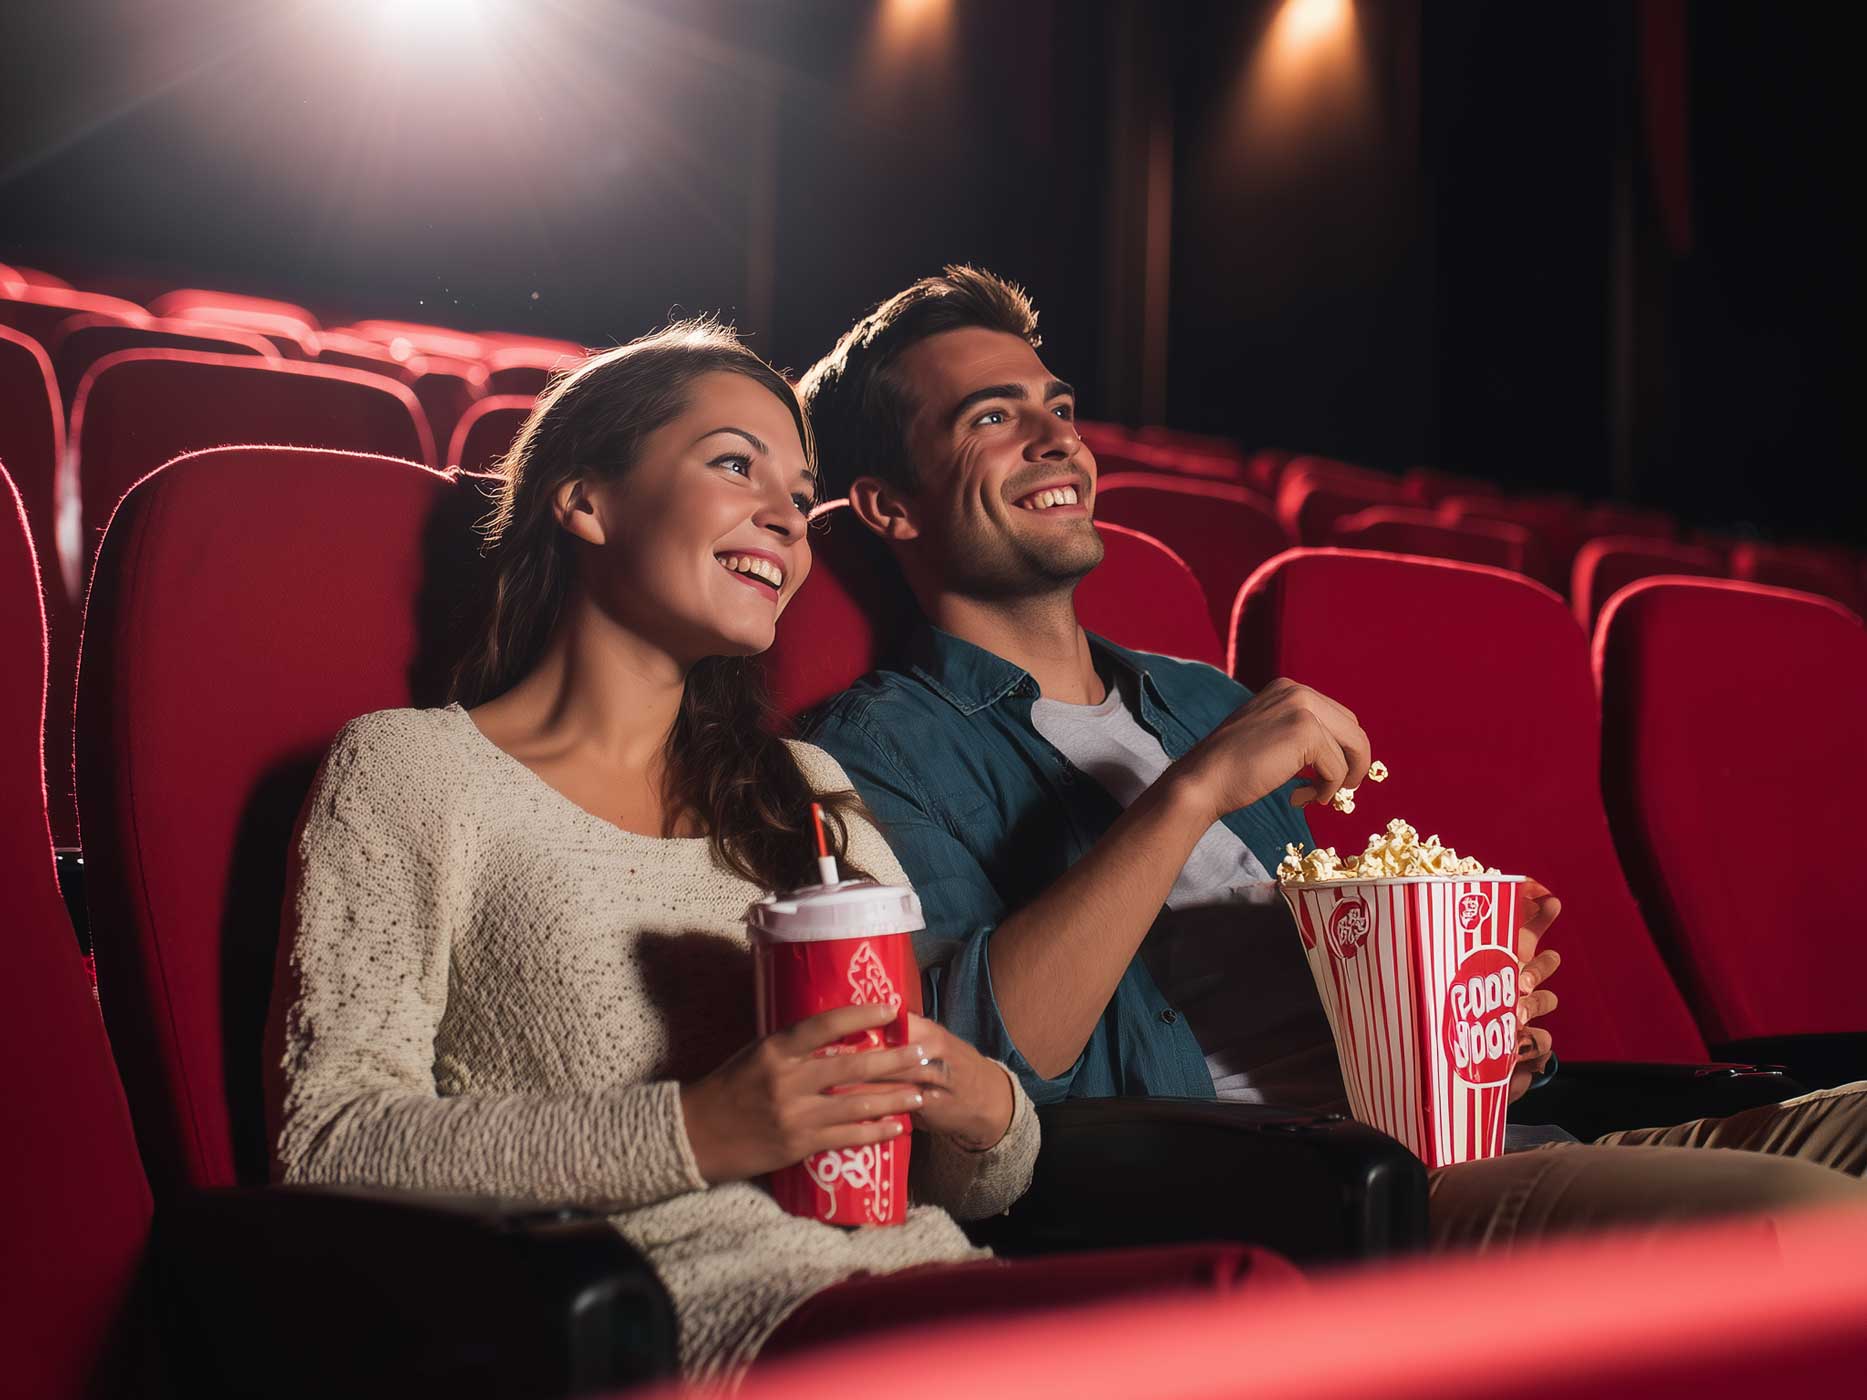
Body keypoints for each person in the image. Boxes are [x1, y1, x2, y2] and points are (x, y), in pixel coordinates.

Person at [264, 321, 1289, 1386]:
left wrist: (987, 1112)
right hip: (696, 1322)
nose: (785, 520)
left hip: (918, 1284)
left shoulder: (804, 789)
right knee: (1242, 1318)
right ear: (585, 499)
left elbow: (967, 1175)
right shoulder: (414, 772)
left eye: (800, 496)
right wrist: (702, 1126)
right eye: (732, 464)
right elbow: (331, 1140)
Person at [799, 267, 1867, 1246]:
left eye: (1059, 409)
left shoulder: (1198, 699)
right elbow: (983, 1076)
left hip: (1498, 1136)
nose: (1057, 440)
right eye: (994, 416)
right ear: (890, 504)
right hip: (1318, 1200)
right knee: (1817, 1231)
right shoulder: (874, 748)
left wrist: (1474, 1018)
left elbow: (1330, 1006)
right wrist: (1196, 787)